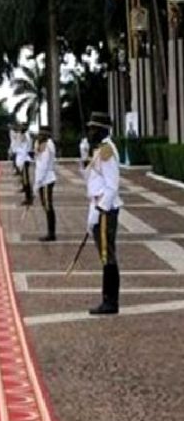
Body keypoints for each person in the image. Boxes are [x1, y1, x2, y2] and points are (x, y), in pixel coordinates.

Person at [85, 112, 122, 315]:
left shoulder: (106, 151)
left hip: (106, 210)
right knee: (105, 255)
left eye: (93, 129)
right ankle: (108, 299)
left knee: (108, 256)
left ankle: (110, 301)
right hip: (100, 207)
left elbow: (112, 186)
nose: (90, 132)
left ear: (102, 130)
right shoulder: (100, 149)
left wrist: (99, 210)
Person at [34, 126, 58, 242]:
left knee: (48, 206)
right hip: (42, 179)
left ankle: (51, 233)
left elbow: (44, 165)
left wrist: (38, 182)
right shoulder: (41, 144)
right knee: (45, 205)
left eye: (42, 134)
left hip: (47, 179)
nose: (39, 136)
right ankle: (50, 231)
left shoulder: (48, 146)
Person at [15, 124, 33, 206]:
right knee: (24, 179)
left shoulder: (26, 137)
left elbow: (23, 147)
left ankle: (28, 198)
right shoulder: (24, 136)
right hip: (22, 159)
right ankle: (28, 196)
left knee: (26, 180)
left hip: (24, 160)